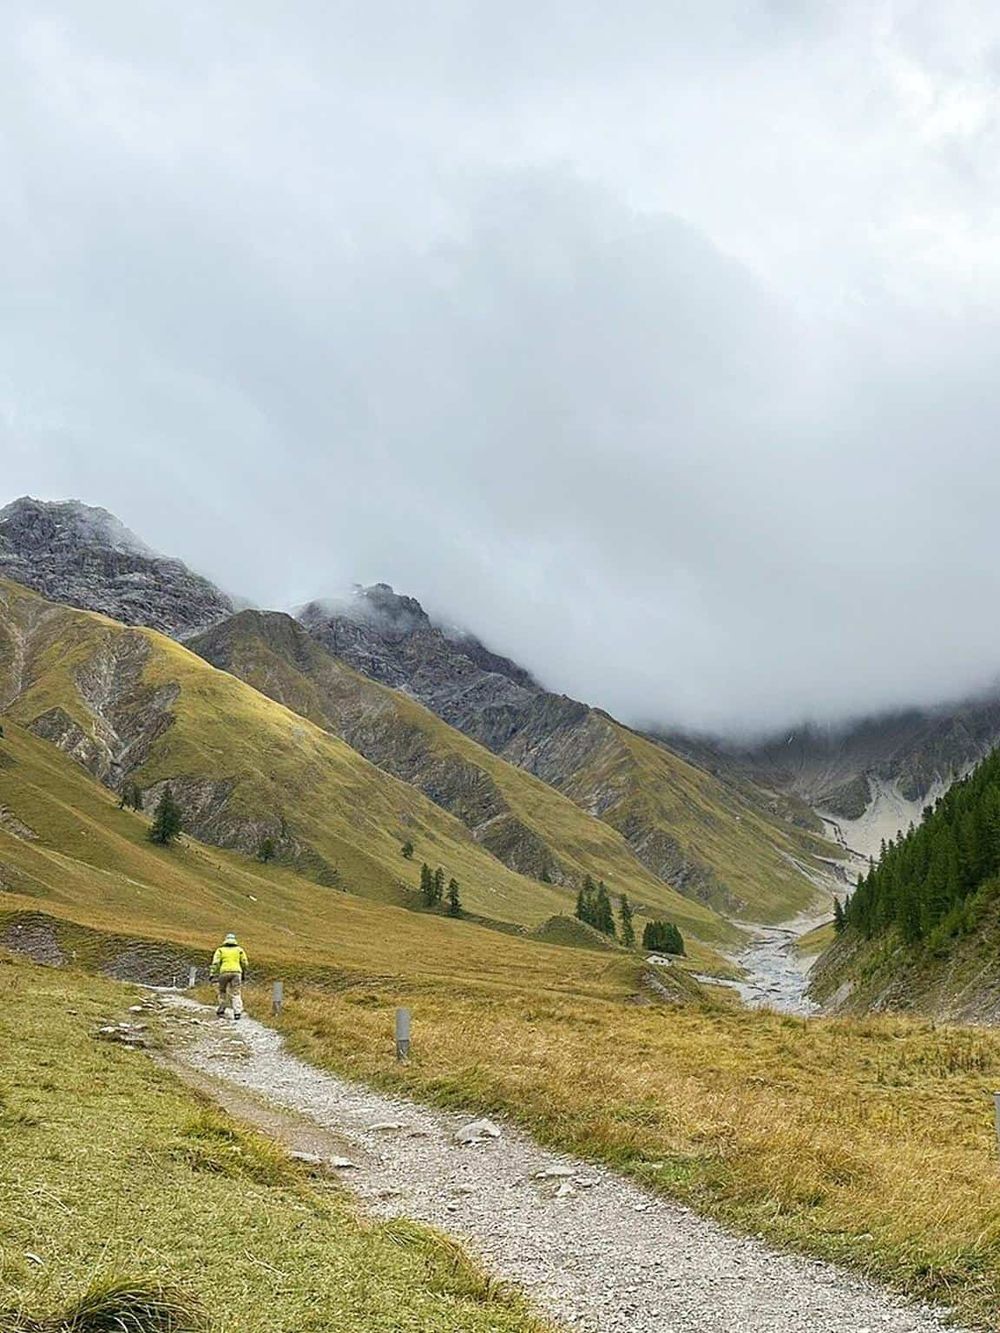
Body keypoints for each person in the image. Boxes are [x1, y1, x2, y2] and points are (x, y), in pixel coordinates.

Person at [210, 932, 248, 1020]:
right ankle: (237, 1012)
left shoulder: (220, 950)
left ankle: (221, 1009)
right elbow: (244, 962)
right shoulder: (239, 950)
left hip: (224, 972)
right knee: (236, 992)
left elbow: (215, 963)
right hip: (237, 972)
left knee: (222, 991)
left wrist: (212, 973)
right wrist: (243, 971)